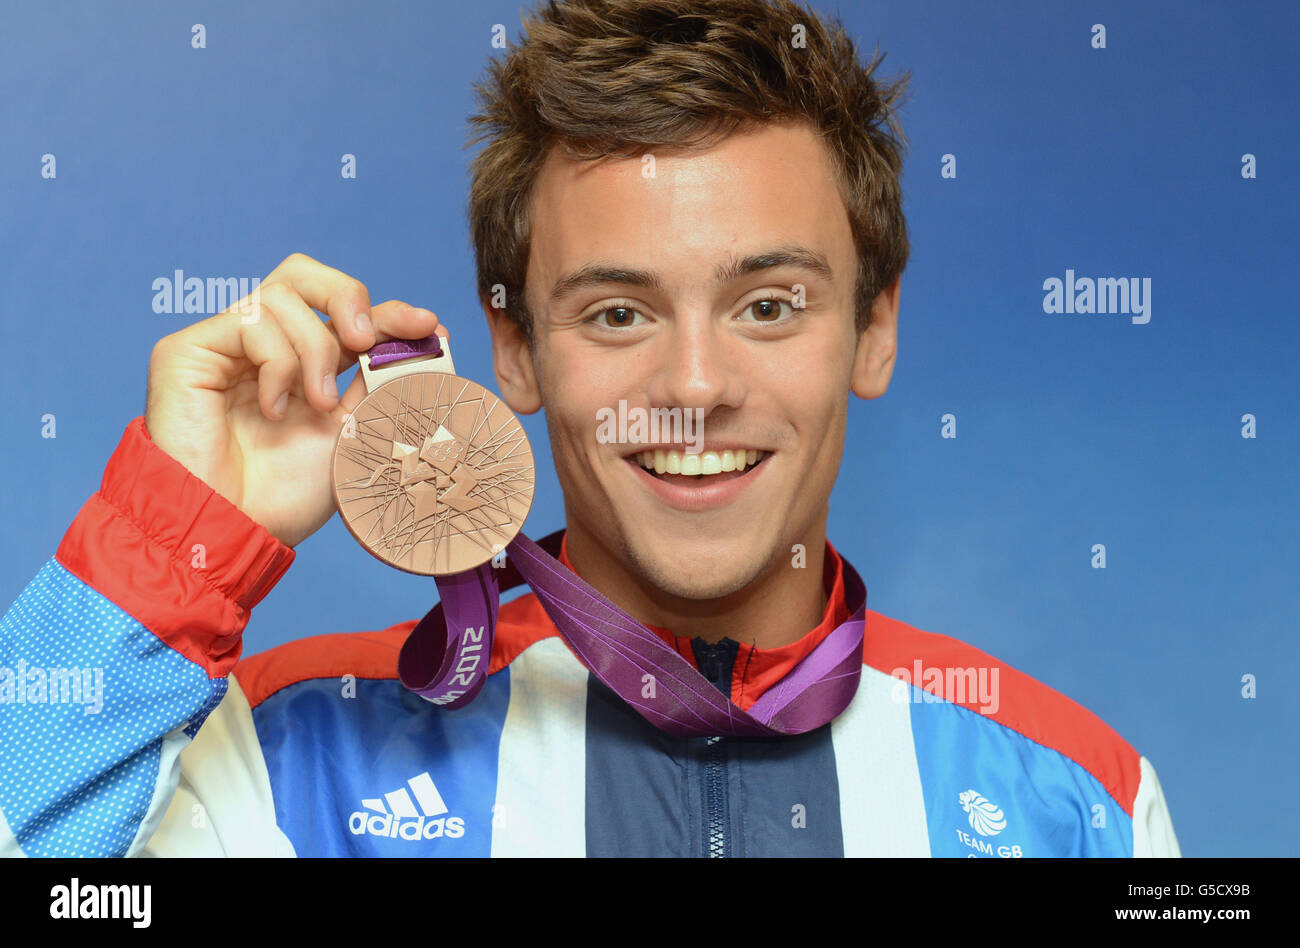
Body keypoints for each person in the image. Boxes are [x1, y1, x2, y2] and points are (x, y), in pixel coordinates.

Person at [0, 0, 1179, 857]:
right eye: (617, 311)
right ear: (513, 348)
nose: (695, 383)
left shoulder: (1079, 805)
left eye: (768, 305)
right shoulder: (284, 771)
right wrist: (165, 550)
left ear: (874, 331)